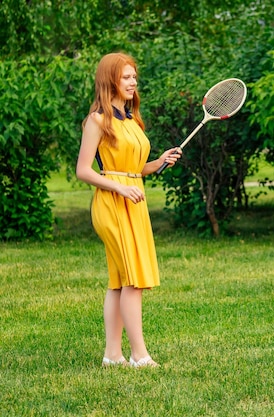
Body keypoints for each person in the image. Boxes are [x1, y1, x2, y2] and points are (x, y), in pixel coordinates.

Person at [76, 53, 181, 368]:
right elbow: (84, 170)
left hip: (135, 200)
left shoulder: (133, 119)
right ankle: (139, 355)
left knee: (120, 280)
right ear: (110, 80)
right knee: (133, 279)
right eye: (126, 77)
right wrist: (118, 187)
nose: (133, 82)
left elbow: (133, 169)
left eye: (134, 76)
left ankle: (112, 355)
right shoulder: (97, 120)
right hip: (111, 203)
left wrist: (159, 161)